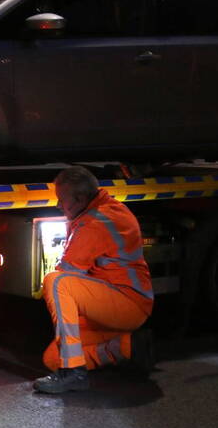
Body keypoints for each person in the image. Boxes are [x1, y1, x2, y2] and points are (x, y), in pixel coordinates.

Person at [34, 166, 155, 394]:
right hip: (114, 304)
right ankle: (127, 347)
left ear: (80, 198)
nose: (59, 205)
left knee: (56, 282)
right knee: (52, 359)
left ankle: (74, 373)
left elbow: (66, 273)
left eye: (62, 200)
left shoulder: (95, 222)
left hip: (127, 304)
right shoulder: (103, 210)